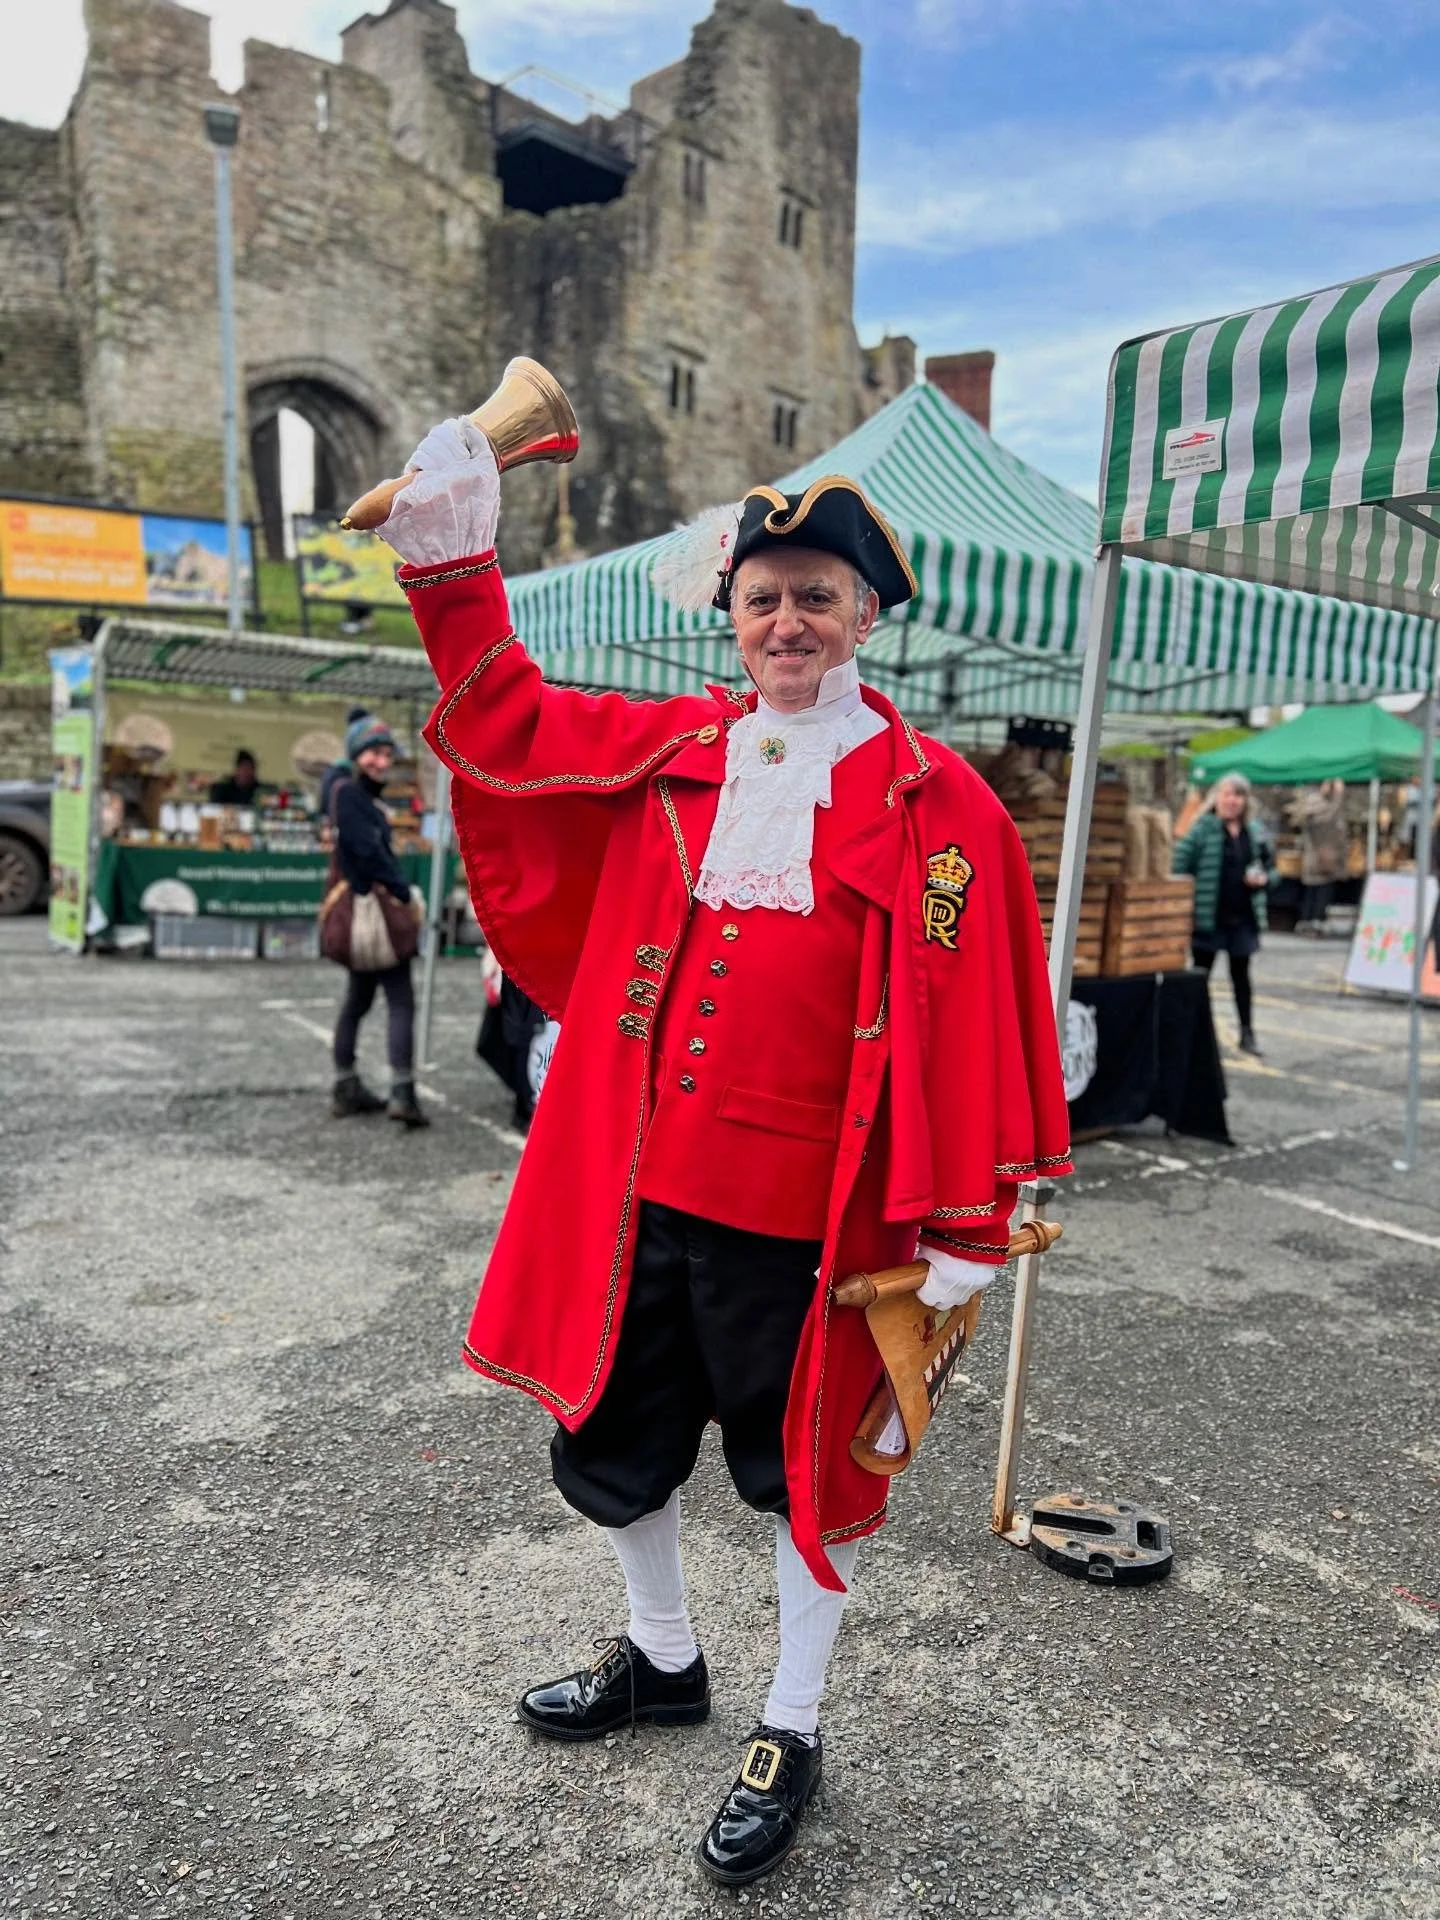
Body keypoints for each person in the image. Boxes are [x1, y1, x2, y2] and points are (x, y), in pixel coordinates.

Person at [378, 419, 1070, 1886]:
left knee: (806, 1475)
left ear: (869, 615)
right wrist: (453, 570)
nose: (787, 620)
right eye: (763, 597)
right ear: (732, 617)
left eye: (817, 593)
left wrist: (960, 1232)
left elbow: (972, 1014)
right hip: (640, 1196)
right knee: (615, 1439)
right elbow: (510, 727)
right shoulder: (679, 746)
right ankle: (662, 1655)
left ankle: (792, 1721)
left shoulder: (944, 812)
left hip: (817, 1225)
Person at [329, 712, 429, 1129]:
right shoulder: (349, 793)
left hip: (364, 917)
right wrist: (404, 892)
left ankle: (346, 1085)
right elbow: (368, 853)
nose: (381, 761)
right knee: (401, 999)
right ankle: (402, 1091)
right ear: (356, 754)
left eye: (386, 753)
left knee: (359, 998)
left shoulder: (362, 796)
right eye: (373, 752)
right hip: (373, 914)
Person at [1174, 770, 1274, 1054]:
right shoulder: (1202, 828)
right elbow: (1179, 866)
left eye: (1239, 795)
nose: (1233, 801)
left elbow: (1271, 868)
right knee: (1200, 978)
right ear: (1216, 797)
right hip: (1209, 918)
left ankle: (1247, 1033)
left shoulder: (1253, 832)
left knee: (1241, 977)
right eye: (1228, 794)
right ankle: (1193, 1036)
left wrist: (1264, 880)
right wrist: (1186, 909)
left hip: (1242, 918)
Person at [1296, 778, 1347, 933]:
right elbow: (1326, 817)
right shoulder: (1314, 803)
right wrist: (1338, 796)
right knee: (1316, 889)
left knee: (1321, 889)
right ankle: (1311, 920)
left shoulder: (1326, 804)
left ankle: (1313, 920)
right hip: (1317, 857)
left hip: (1326, 856)